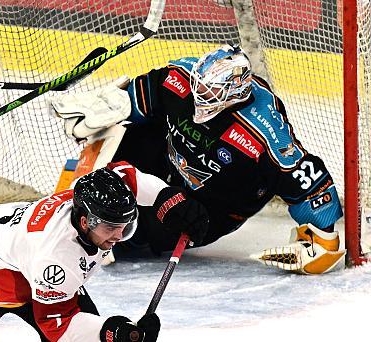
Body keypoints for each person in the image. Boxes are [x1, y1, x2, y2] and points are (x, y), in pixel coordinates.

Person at [51, 44, 345, 275]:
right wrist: (108, 106)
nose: (200, 95)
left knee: (132, 234)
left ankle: (106, 237)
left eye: (210, 92)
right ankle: (75, 200)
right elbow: (142, 94)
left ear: (235, 94)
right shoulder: (184, 78)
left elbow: (310, 183)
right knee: (123, 128)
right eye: (199, 87)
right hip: (171, 163)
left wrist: (323, 241)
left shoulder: (263, 134)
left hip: (211, 207)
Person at [0, 163, 208, 342]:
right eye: (110, 228)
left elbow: (126, 175)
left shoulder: (87, 194)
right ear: (84, 220)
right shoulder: (57, 258)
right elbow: (56, 326)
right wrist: (113, 331)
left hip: (23, 255)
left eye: (124, 226)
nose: (118, 237)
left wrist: (169, 199)